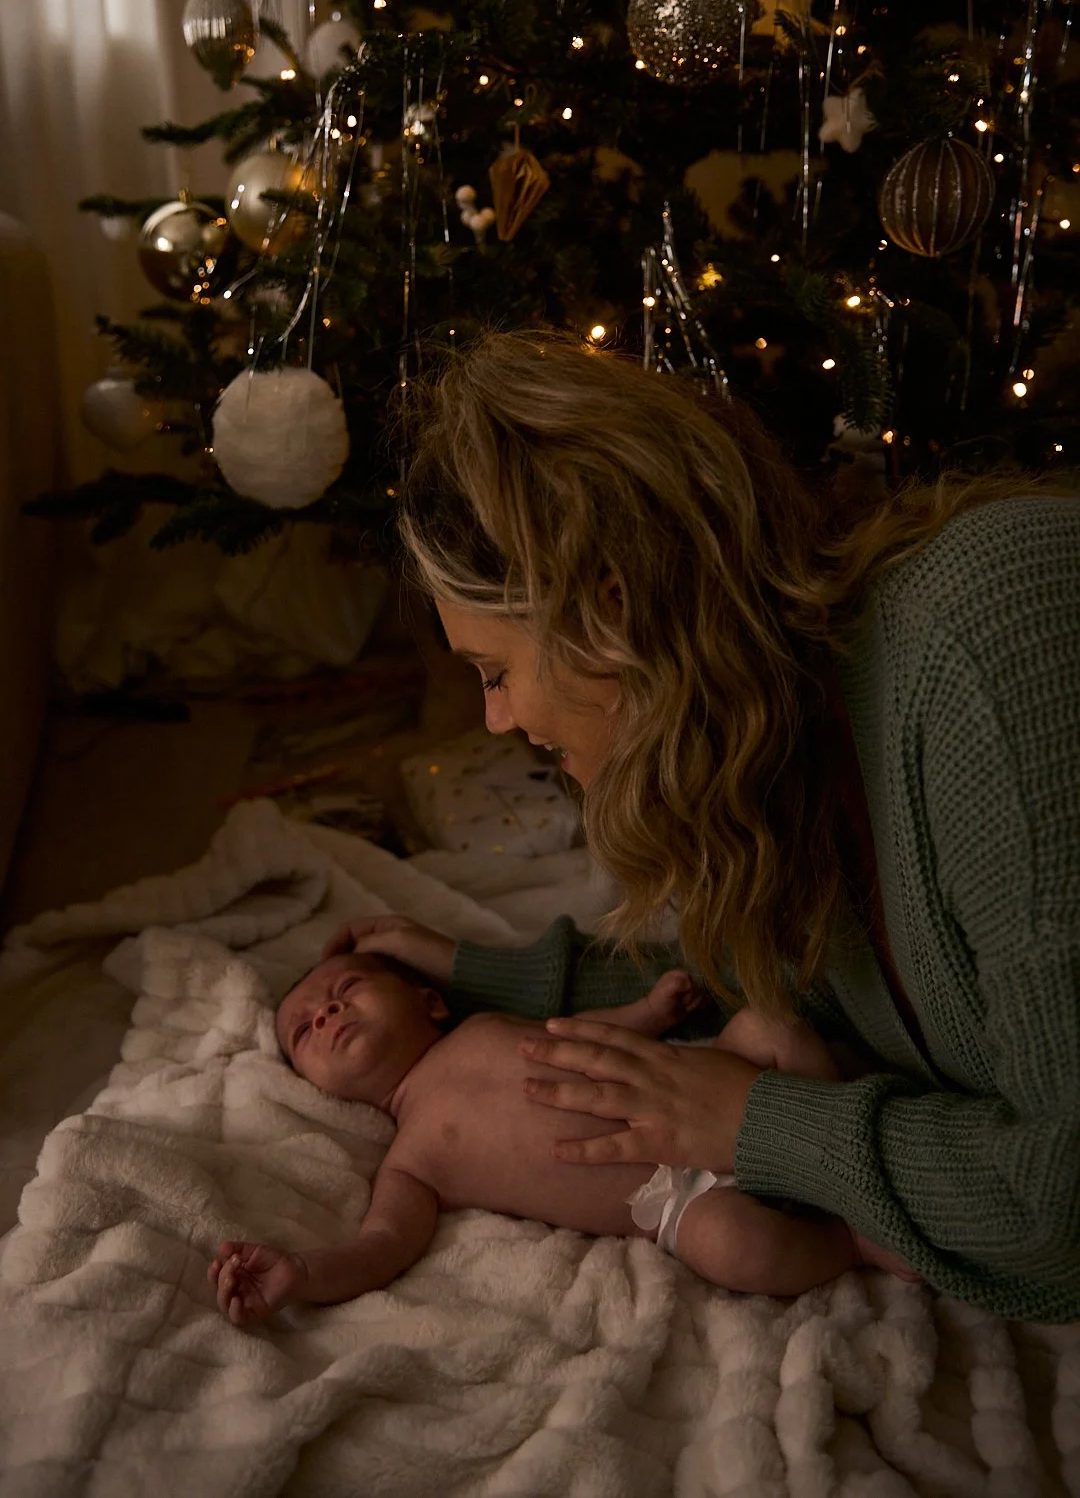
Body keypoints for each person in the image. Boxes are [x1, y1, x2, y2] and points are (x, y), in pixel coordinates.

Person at [324, 328, 1080, 1325]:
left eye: (495, 671)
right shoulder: (786, 747)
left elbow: (1057, 1213)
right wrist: (467, 972)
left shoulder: (987, 650)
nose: (496, 720)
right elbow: (736, 970)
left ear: (609, 612)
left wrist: (755, 1124)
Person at [208, 950, 913, 1325]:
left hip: (705, 1078)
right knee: (740, 1248)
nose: (327, 1012)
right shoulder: (411, 1160)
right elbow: (381, 1246)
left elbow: (586, 1036)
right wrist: (304, 1274)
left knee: (769, 1027)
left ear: (430, 1000)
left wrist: (649, 1011)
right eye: (305, 1029)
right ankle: (849, 1238)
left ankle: (844, 1153)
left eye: (347, 988)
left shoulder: (485, 1029)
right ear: (313, 1087)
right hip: (674, 1194)